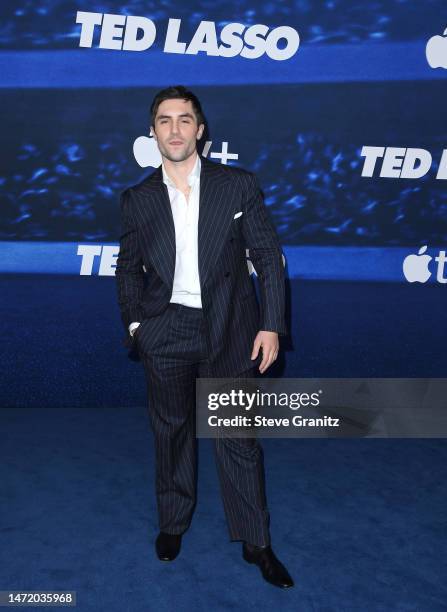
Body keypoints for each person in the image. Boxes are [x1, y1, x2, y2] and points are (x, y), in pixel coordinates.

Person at [115, 85, 293, 588]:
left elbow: (267, 257)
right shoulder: (138, 199)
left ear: (201, 130)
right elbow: (127, 269)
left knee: (237, 437)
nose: (175, 129)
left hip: (231, 329)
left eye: (185, 119)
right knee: (171, 433)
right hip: (166, 331)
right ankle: (173, 523)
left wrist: (271, 323)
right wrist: (135, 326)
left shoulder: (237, 185)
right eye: (165, 120)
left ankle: (256, 542)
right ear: (153, 133)